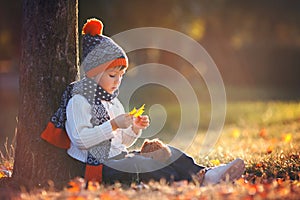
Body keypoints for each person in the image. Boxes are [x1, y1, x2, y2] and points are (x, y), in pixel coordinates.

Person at [41, 18, 245, 186]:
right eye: (112, 75)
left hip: (118, 158)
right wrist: (113, 124)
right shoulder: (79, 100)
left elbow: (120, 143)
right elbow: (80, 139)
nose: (117, 81)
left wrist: (133, 130)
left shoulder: (112, 102)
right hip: (100, 168)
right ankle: (188, 181)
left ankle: (205, 173)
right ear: (94, 74)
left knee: (167, 152)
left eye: (120, 76)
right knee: (141, 164)